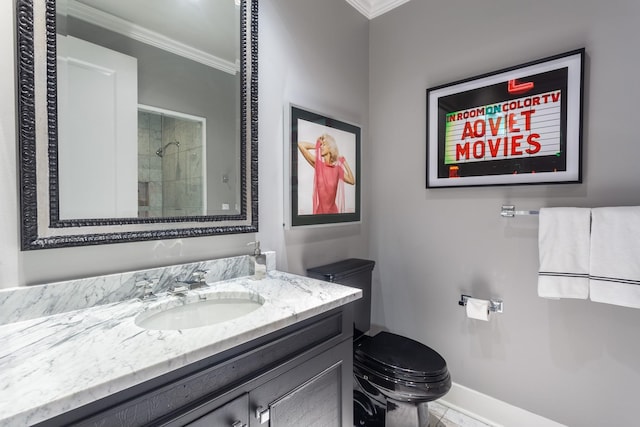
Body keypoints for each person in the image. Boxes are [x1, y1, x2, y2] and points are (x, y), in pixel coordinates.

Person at [298, 133, 355, 214]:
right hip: (319, 213)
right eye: (321, 145)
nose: (321, 147)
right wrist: (317, 146)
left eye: (324, 145)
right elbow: (300, 144)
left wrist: (345, 163)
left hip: (333, 213)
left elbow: (352, 181)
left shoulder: (337, 169)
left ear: (330, 147)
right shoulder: (318, 165)